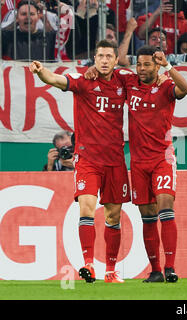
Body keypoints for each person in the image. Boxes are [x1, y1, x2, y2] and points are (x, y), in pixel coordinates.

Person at [29, 39, 131, 284]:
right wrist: (41, 71)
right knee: (86, 208)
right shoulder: (84, 81)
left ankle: (110, 270)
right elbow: (55, 80)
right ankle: (88, 265)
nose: (104, 60)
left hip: (115, 160)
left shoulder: (125, 82)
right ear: (94, 59)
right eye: (101, 56)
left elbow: (146, 82)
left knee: (113, 216)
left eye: (109, 56)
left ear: (116, 60)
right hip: (87, 159)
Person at [122, 45, 187, 282]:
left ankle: (170, 267)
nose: (141, 69)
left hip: (162, 158)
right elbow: (107, 72)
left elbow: (186, 88)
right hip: (138, 162)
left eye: (147, 64)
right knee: (147, 217)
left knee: (165, 208)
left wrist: (169, 66)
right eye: (139, 64)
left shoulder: (165, 86)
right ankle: (155, 271)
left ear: (156, 65)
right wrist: (91, 68)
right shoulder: (129, 83)